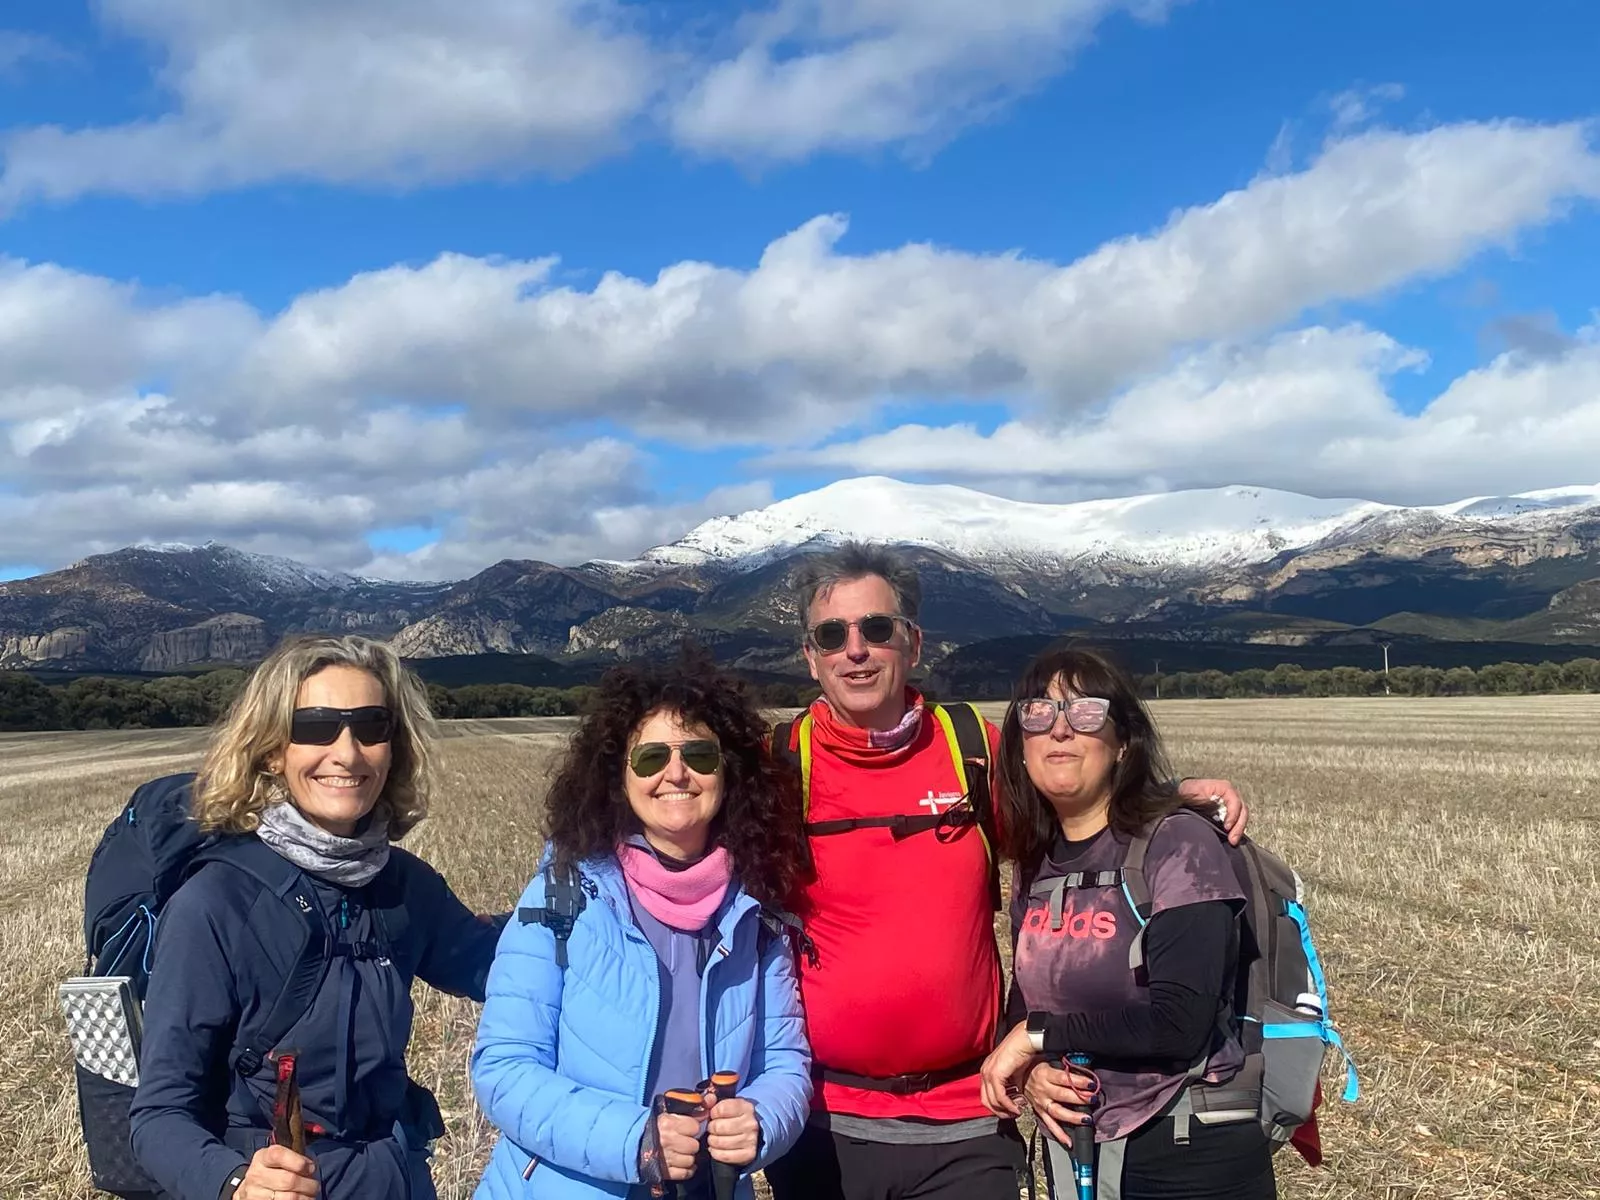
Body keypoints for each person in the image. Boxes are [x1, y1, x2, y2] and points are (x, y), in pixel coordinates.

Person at [762, 543, 1249, 1200]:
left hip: (967, 1119)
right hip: (826, 1121)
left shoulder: (974, 750)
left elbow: (1077, 806)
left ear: (912, 642)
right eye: (833, 634)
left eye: (877, 628)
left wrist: (1167, 795)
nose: (857, 649)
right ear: (810, 656)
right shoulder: (776, 767)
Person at [128, 634, 504, 1200]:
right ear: (272, 749)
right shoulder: (215, 905)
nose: (348, 753)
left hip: (395, 1179)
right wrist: (234, 1183)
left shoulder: (405, 885)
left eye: (371, 726)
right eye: (315, 727)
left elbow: (497, 968)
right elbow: (157, 1116)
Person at [471, 650, 813, 1199]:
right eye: (651, 757)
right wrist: (636, 1142)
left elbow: (784, 1061)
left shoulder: (756, 911)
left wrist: (761, 1120)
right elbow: (505, 1069)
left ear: (730, 772)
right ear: (618, 777)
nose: (676, 773)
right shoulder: (564, 895)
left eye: (699, 754)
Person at [979, 646, 1276, 1199]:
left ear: (1122, 744)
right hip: (1078, 1146)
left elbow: (1179, 1022)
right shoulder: (1035, 862)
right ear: (1020, 749)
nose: (1060, 730)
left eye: (1085, 712)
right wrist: (1034, 1071)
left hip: (1186, 1151)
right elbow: (1029, 999)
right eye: (1038, 714)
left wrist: (1036, 1037)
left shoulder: (1178, 845)